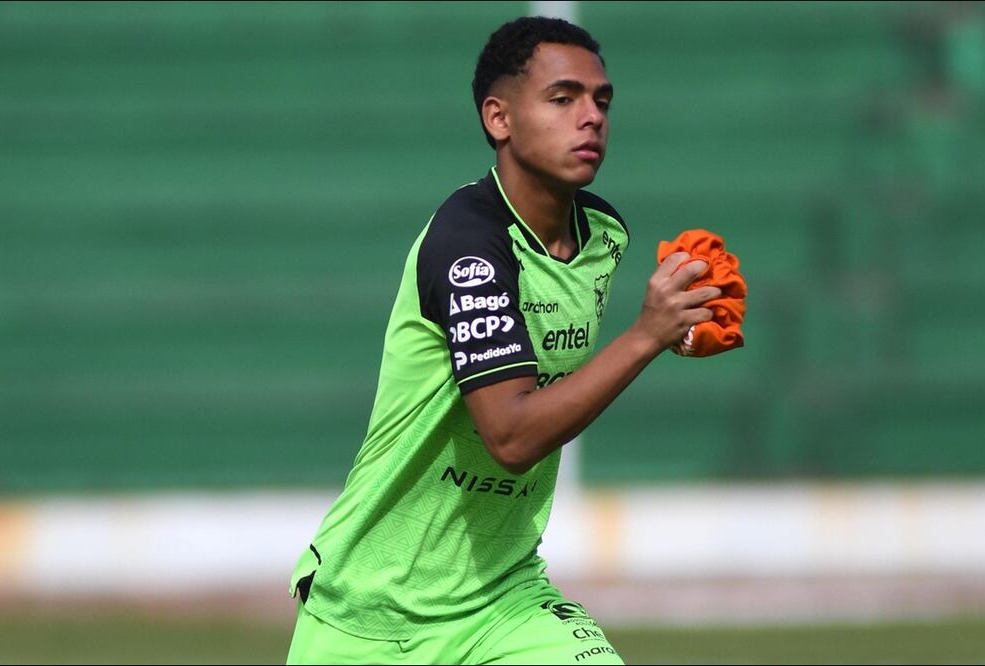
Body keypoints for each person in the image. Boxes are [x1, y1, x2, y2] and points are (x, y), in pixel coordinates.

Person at [287, 16, 721, 665]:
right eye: (562, 97)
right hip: (369, 611)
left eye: (601, 100)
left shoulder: (604, 237)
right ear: (499, 118)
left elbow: (554, 366)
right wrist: (644, 336)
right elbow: (511, 437)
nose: (591, 117)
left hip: (502, 597)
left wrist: (678, 327)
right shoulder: (468, 248)